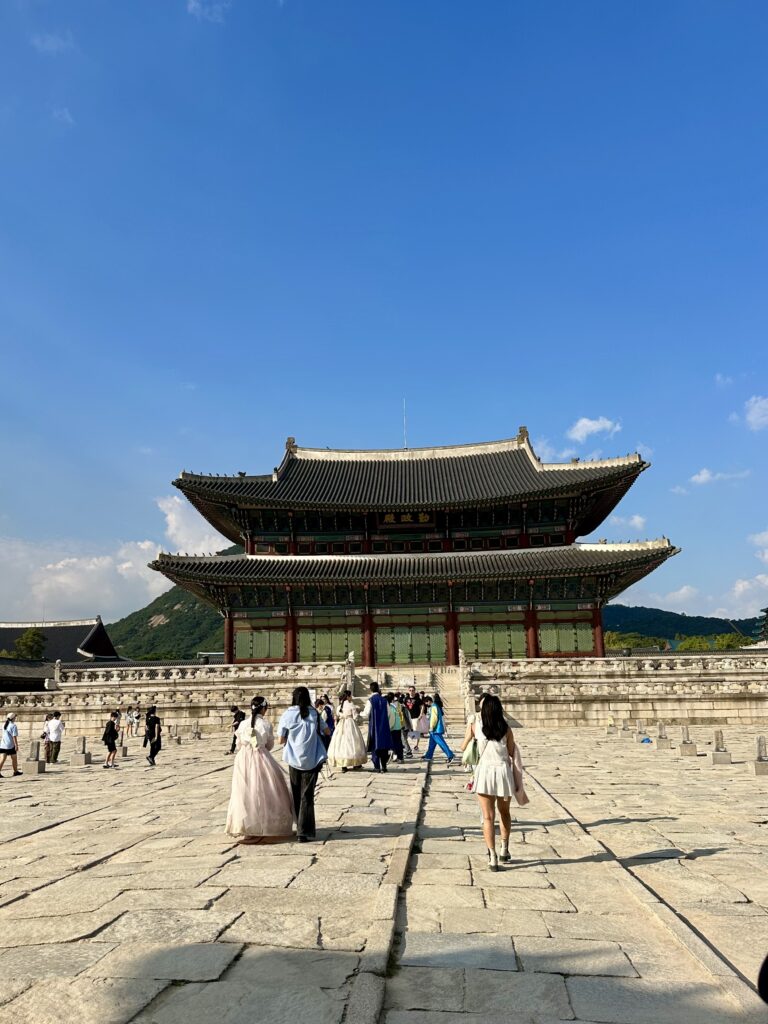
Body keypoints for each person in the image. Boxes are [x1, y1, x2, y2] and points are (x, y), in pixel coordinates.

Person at [460, 693, 529, 871]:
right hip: (503, 773)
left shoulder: (476, 727)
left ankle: (492, 857)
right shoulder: (506, 729)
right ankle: (504, 848)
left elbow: (463, 747)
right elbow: (513, 753)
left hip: (484, 773)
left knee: (488, 817)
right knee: (504, 813)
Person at [226, 696, 294, 843]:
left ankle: (247, 825)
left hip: (243, 758)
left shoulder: (243, 724)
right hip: (260, 757)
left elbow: (238, 744)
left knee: (244, 792)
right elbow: (269, 746)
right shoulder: (266, 724)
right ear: (264, 709)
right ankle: (265, 824)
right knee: (265, 791)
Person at [278, 686, 328, 842]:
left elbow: (281, 739)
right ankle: (303, 830)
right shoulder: (315, 713)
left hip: (293, 759)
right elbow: (327, 732)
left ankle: (299, 827)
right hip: (312, 759)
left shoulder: (288, 714)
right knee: (307, 795)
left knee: (297, 793)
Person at [327, 689, 367, 772]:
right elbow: (355, 716)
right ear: (348, 696)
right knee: (353, 742)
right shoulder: (351, 704)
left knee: (341, 742)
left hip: (341, 724)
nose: (351, 697)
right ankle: (356, 763)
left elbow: (338, 714)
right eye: (350, 696)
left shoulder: (340, 706)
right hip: (350, 723)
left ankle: (343, 765)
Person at [362, 682, 392, 773]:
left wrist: (359, 714)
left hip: (374, 727)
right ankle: (384, 767)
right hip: (384, 726)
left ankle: (377, 767)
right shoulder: (384, 700)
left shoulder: (370, 700)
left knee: (375, 746)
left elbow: (366, 714)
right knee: (384, 746)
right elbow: (389, 713)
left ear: (370, 689)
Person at [422, 693, 455, 764]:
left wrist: (431, 727)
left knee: (441, 743)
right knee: (431, 744)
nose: (426, 705)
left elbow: (434, 718)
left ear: (428, 701)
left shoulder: (433, 707)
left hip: (435, 729)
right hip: (435, 730)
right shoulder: (436, 706)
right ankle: (428, 756)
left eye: (426, 703)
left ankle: (450, 755)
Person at [0, 712, 22, 778]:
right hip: (10, 745)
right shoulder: (13, 725)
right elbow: (14, 736)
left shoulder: (4, 725)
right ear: (13, 718)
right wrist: (16, 745)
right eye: (15, 717)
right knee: (14, 758)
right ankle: (15, 771)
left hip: (3, 744)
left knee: (2, 759)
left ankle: (15, 771)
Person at [386, 693, 405, 763]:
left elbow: (392, 719)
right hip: (397, 727)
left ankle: (399, 757)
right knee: (397, 743)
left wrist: (389, 727)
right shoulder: (394, 706)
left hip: (394, 727)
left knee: (396, 743)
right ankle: (398, 757)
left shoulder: (390, 707)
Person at [404, 686, 423, 753]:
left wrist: (421, 715)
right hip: (407, 718)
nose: (411, 691)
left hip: (415, 717)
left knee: (416, 731)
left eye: (412, 690)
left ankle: (416, 745)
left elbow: (422, 706)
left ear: (414, 691)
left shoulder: (418, 699)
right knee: (407, 732)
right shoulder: (406, 699)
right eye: (410, 690)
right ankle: (407, 746)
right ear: (408, 691)